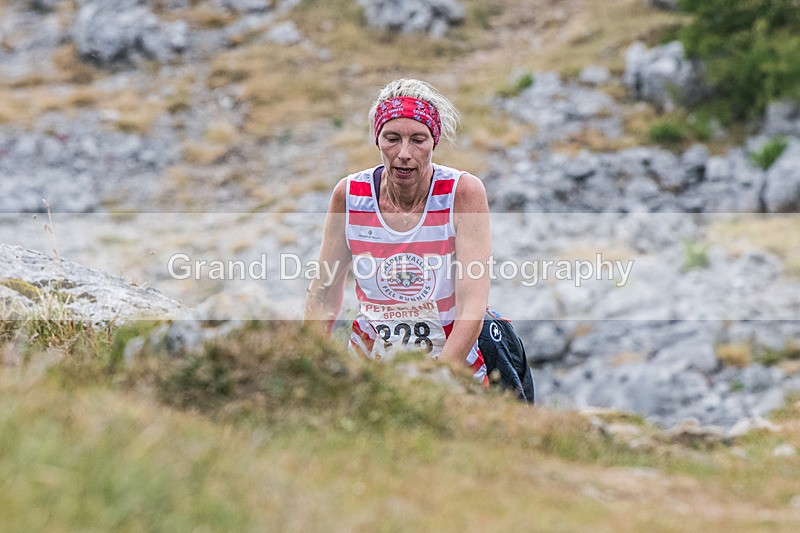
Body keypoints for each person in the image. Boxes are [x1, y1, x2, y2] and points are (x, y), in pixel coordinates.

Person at [304, 78, 490, 383]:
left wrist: (437, 377)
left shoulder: (463, 193)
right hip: (368, 365)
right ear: (377, 140)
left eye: (418, 139)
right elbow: (323, 294)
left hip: (452, 363)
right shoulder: (349, 195)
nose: (404, 153)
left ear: (434, 142)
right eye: (392, 138)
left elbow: (472, 304)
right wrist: (308, 364)